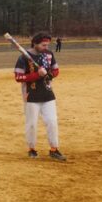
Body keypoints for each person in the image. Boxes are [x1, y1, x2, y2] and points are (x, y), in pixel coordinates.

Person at [14, 33, 66, 161]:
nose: (46, 47)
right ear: (35, 43)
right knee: (31, 124)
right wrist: (37, 75)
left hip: (48, 94)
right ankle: (32, 149)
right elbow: (18, 77)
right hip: (31, 95)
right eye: (43, 45)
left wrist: (49, 75)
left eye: (47, 44)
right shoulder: (23, 58)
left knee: (52, 122)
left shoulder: (49, 54)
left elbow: (56, 70)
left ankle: (54, 149)